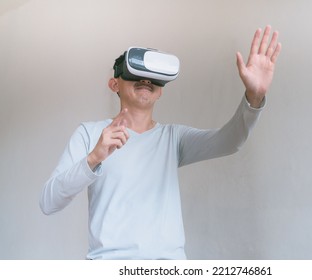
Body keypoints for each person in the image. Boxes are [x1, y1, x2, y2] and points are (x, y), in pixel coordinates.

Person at [40, 26, 282, 259]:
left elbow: (231, 140)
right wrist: (94, 158)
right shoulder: (89, 134)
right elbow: (49, 202)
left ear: (160, 91)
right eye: (137, 74)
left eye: (154, 78)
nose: (146, 80)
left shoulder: (173, 138)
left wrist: (255, 96)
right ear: (115, 84)